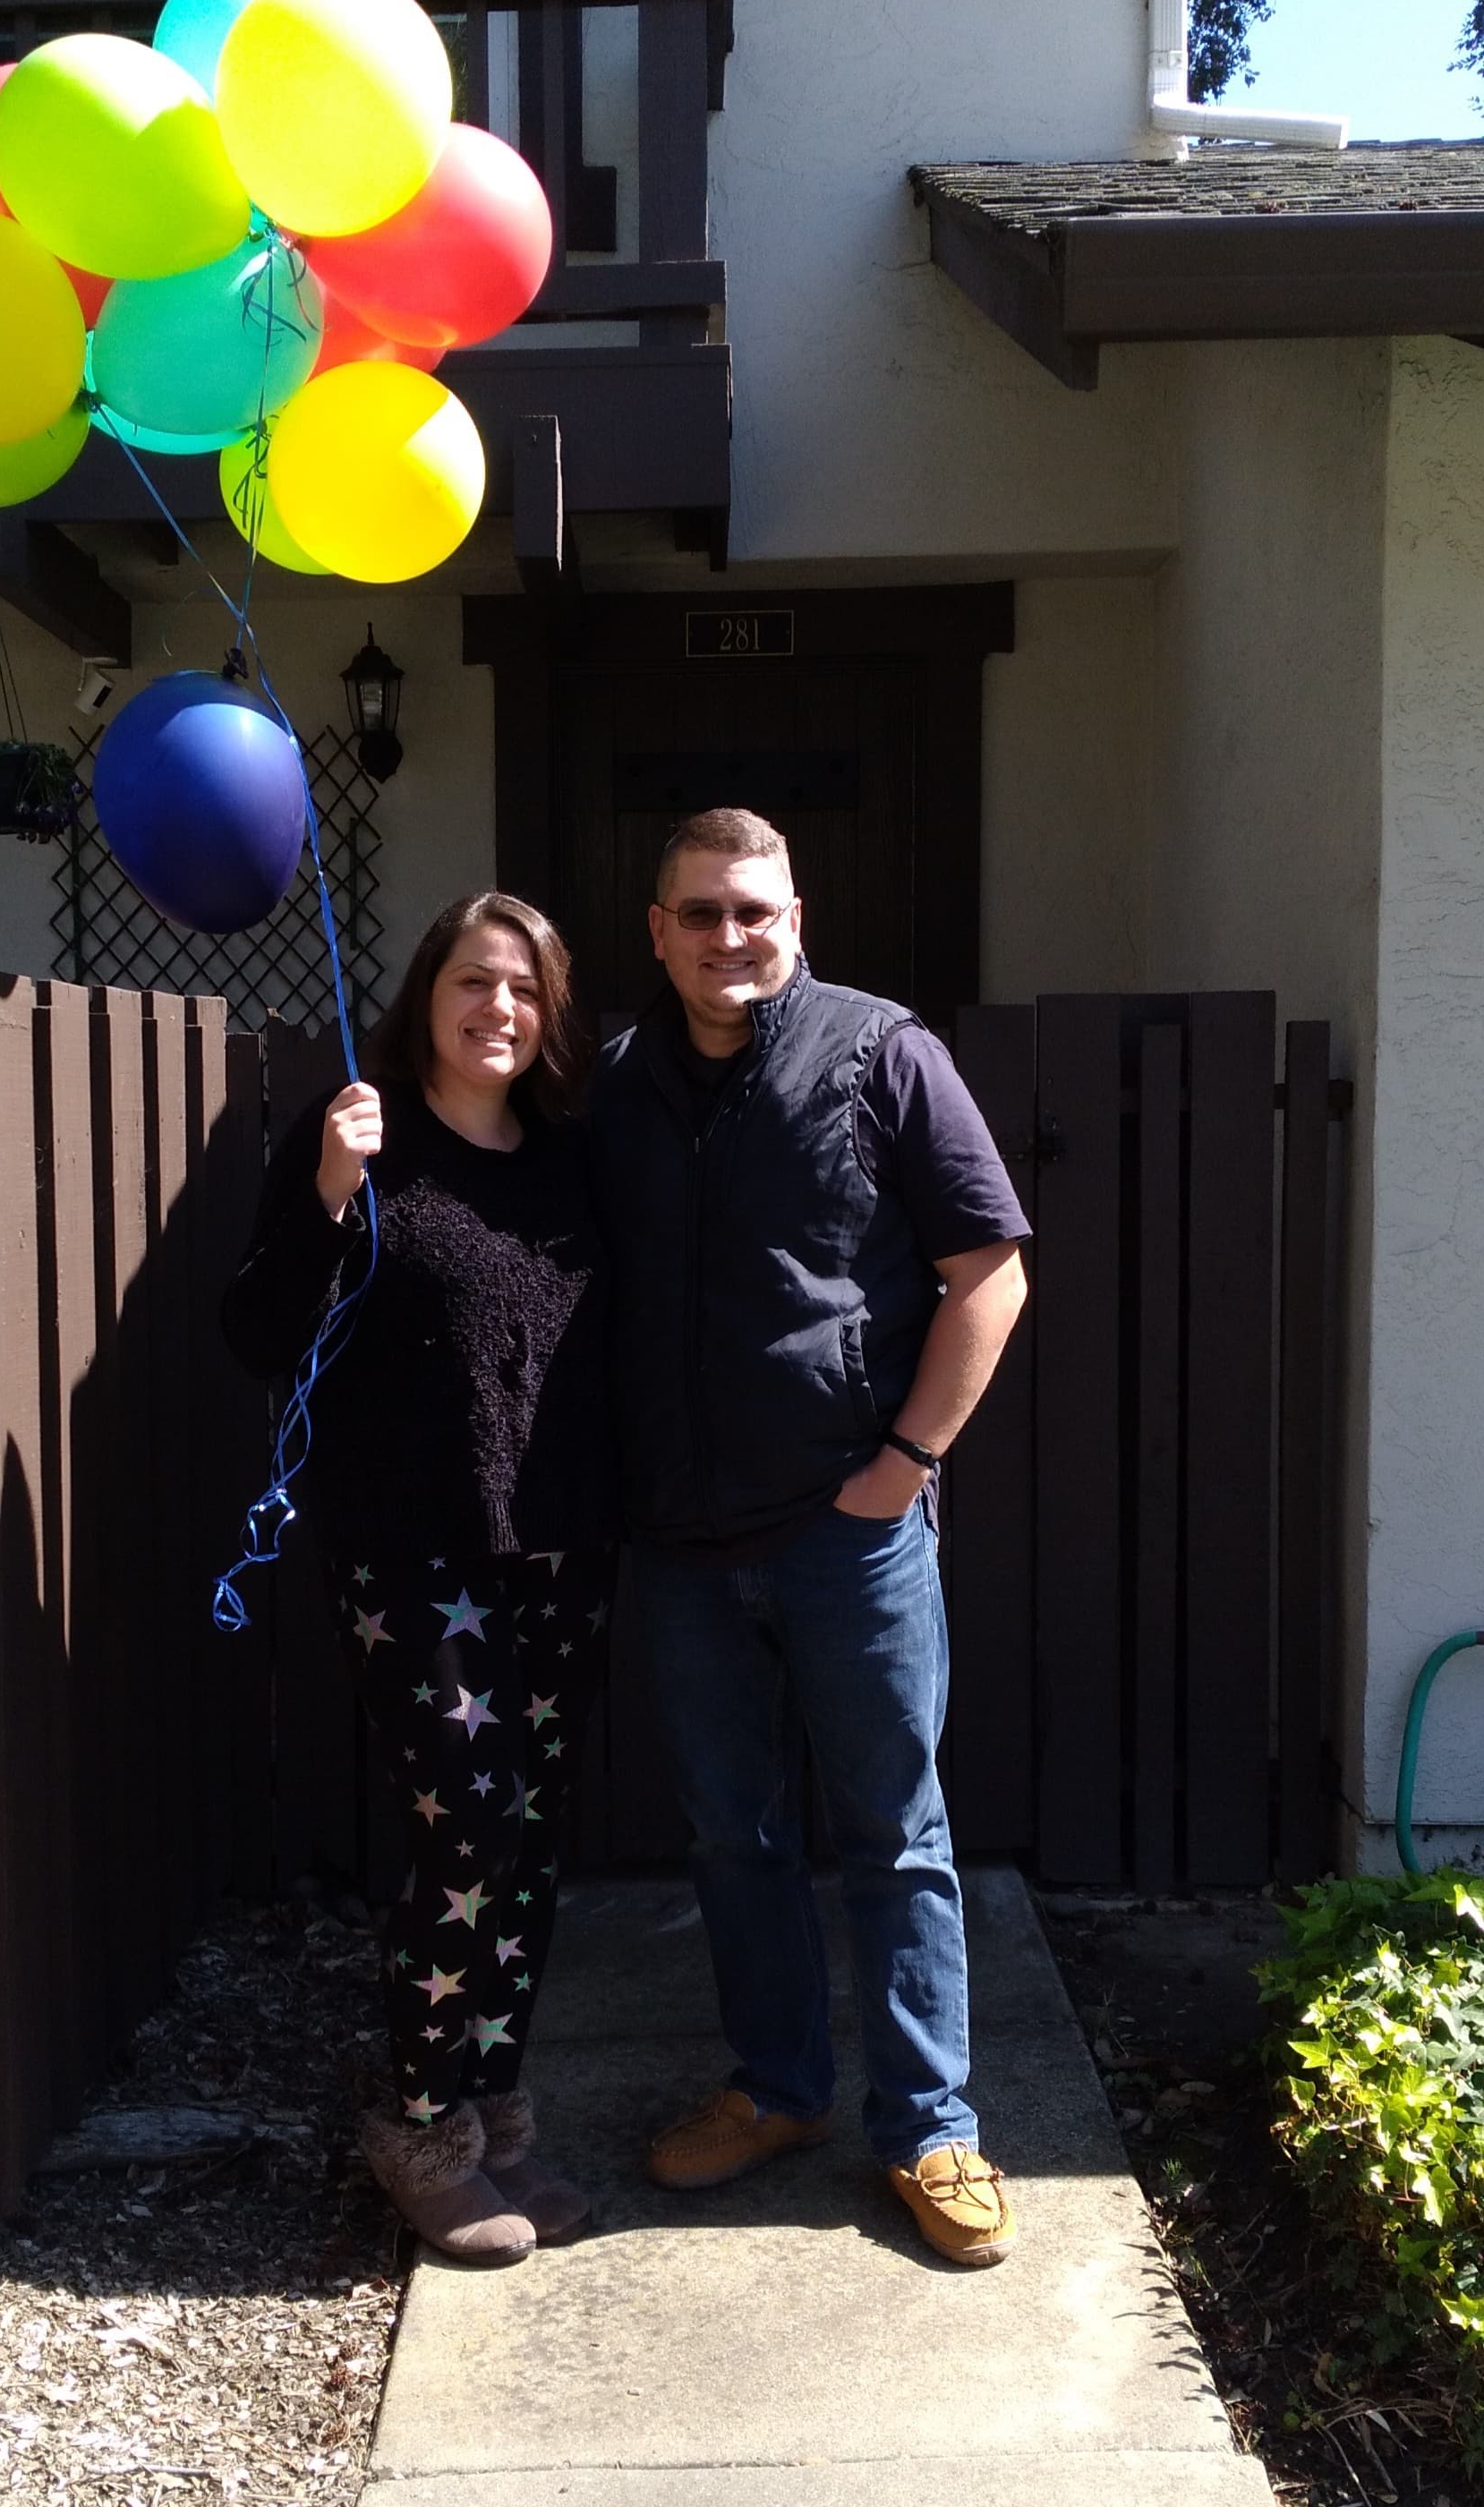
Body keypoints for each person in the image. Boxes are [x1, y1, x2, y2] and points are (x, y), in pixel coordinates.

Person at [586, 807, 1029, 2267]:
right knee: (736, 1833)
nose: (731, 936)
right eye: (702, 912)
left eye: (755, 910)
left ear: (796, 919)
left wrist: (903, 1465)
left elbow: (989, 1274)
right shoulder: (617, 1083)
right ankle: (777, 2089)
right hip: (683, 1541)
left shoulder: (884, 1054)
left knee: (895, 1831)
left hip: (852, 1532)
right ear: (659, 932)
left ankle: (931, 2127)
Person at [222, 892, 614, 2268]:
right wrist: (330, 1191)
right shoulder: (360, 1135)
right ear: (426, 995)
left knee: (532, 1838)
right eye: (472, 980)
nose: (498, 1007)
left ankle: (494, 2107)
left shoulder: (570, 1157)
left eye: (525, 987)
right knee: (470, 1827)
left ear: (551, 1013)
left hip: (559, 1544)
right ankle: (420, 2122)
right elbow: (257, 1329)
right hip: (410, 1548)